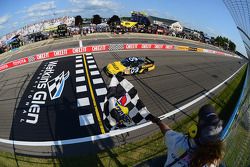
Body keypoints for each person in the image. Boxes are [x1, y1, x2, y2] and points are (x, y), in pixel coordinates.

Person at [151, 104, 225, 167]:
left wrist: (158, 122)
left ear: (195, 131)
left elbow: (166, 131)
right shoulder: (212, 162)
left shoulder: (178, 142)